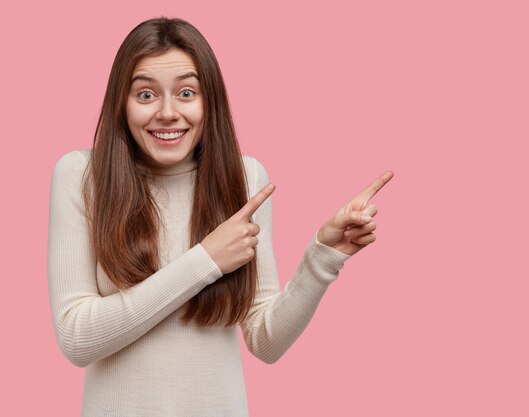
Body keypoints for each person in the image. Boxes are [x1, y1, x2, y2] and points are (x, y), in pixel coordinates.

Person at [48, 17, 393, 417]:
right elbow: (76, 337)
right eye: (145, 94)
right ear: (121, 104)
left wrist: (322, 256)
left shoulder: (244, 180)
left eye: (186, 92)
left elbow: (266, 340)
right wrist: (205, 261)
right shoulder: (81, 177)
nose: (166, 112)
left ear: (209, 100)